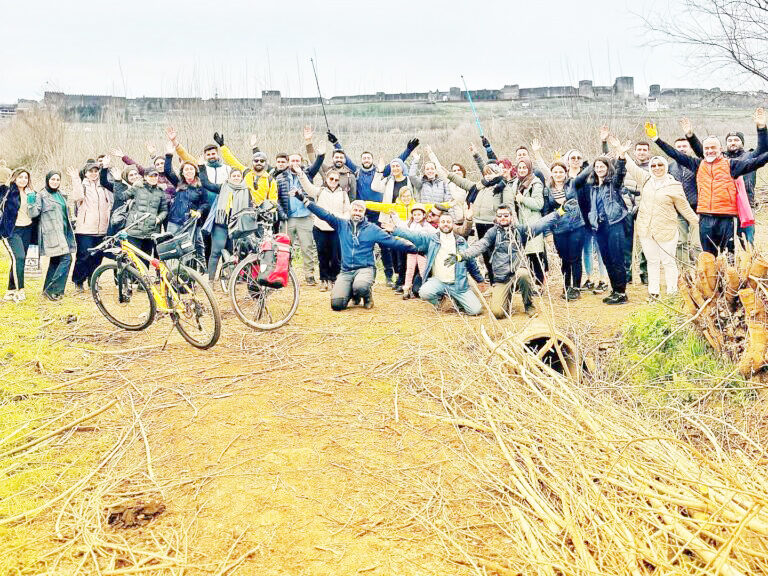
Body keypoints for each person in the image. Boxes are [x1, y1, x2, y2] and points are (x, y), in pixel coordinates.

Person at [647, 108, 768, 256]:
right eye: (707, 148)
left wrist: (762, 129)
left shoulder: (732, 165)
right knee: (708, 257)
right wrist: (656, 139)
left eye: (713, 148)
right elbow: (675, 154)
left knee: (727, 256)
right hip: (704, 218)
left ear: (720, 149)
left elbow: (758, 161)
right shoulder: (697, 164)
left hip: (725, 218)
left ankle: (727, 279)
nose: (710, 150)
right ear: (703, 150)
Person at [613, 136, 700, 300]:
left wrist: (696, 221)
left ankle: (672, 293)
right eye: (653, 165)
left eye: (660, 165)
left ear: (665, 167)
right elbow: (630, 167)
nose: (657, 168)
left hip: (666, 230)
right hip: (647, 230)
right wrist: (621, 152)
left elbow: (684, 207)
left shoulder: (673, 185)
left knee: (668, 262)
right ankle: (653, 293)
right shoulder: (646, 180)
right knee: (652, 262)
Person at [297, 192, 414, 310]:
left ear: (364, 213)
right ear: (350, 211)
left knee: (361, 286)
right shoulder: (341, 224)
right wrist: (305, 201)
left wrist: (414, 249)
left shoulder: (372, 229)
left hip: (365, 268)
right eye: (355, 210)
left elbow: (392, 242)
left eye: (360, 211)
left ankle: (367, 295)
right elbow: (324, 215)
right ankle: (354, 295)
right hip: (346, 271)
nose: (357, 213)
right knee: (337, 305)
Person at [384, 211, 485, 316]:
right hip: (438, 281)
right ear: (439, 224)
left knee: (475, 311)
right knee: (424, 292)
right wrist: (395, 230)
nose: (445, 224)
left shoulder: (461, 242)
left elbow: (471, 262)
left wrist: (479, 279)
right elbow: (413, 235)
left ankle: (457, 300)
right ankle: (439, 302)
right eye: (443, 221)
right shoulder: (432, 239)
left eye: (448, 222)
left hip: (458, 285)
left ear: (453, 224)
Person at [429, 147, 505, 283]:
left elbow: (508, 206)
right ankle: (493, 282)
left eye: (491, 173)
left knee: (497, 254)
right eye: (486, 173)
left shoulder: (502, 186)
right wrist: (450, 175)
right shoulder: (479, 186)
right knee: (485, 254)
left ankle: (502, 282)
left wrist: (476, 155)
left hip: (494, 225)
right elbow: (463, 182)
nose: (488, 175)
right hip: (479, 223)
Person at [572, 146, 629, 305]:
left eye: (602, 166)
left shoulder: (613, 184)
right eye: (596, 167)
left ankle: (622, 293)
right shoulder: (593, 186)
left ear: (607, 167)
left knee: (617, 259)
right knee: (607, 258)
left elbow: (620, 174)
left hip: (614, 223)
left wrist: (621, 158)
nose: (599, 169)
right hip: (600, 226)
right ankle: (615, 289)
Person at [461, 204, 535, 318]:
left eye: (506, 215)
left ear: (511, 216)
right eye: (500, 216)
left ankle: (529, 305)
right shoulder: (492, 232)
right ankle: (506, 299)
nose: (503, 218)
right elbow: (480, 245)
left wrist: (559, 212)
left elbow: (541, 224)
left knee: (523, 274)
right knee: (498, 313)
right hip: (501, 276)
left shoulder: (520, 230)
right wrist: (462, 256)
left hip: (517, 272)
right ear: (496, 217)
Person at [295, 167, 351, 291]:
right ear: (326, 179)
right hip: (320, 227)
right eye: (331, 178)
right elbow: (307, 186)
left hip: (336, 228)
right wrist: (300, 173)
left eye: (336, 180)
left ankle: (334, 279)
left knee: (336, 256)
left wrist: (341, 219)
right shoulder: (319, 191)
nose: (334, 181)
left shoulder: (343, 194)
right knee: (322, 255)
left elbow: (348, 211)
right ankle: (324, 280)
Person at [274, 152, 323, 285]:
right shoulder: (280, 178)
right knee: (285, 247)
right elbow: (276, 198)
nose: (295, 163)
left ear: (301, 162)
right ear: (288, 162)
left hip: (305, 216)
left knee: (307, 247)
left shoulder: (307, 175)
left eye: (298, 160)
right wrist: (282, 212)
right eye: (292, 160)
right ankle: (285, 274)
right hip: (288, 218)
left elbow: (318, 163)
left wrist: (320, 153)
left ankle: (309, 275)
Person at [371, 157, 419, 291]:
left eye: (398, 166)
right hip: (390, 217)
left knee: (407, 247)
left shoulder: (409, 180)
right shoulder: (388, 180)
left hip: (408, 218)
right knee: (393, 248)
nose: (395, 168)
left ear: (402, 167)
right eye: (393, 166)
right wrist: (379, 171)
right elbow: (374, 186)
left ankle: (407, 278)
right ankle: (399, 276)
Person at [27, 171, 76, 301]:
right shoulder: (42, 195)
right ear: (47, 180)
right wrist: (31, 200)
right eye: (52, 179)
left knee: (55, 261)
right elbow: (33, 213)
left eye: (57, 179)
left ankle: (46, 290)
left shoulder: (60, 195)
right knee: (67, 259)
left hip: (63, 232)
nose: (55, 182)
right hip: (51, 233)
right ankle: (54, 290)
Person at [70, 162, 113, 291]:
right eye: (90, 171)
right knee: (83, 256)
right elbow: (77, 197)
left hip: (102, 229)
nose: (93, 174)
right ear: (85, 173)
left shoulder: (103, 186)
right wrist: (75, 180)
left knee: (97, 257)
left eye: (95, 171)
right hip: (85, 229)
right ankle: (78, 281)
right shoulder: (82, 186)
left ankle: (92, 280)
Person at [504, 158, 546, 284]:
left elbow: (539, 204)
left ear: (529, 169)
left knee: (535, 256)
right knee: (524, 256)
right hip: (519, 224)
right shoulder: (515, 183)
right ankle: (527, 283)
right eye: (520, 168)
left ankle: (539, 284)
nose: (522, 170)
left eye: (524, 168)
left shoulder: (536, 183)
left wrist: (522, 199)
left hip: (532, 223)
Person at [202, 168, 249, 283]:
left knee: (231, 253)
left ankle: (230, 279)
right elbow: (206, 183)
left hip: (236, 226)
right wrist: (201, 167)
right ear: (229, 177)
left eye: (238, 176)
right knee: (216, 252)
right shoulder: (223, 187)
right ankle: (211, 280)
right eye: (234, 176)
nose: (236, 177)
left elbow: (250, 206)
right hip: (221, 224)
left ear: (241, 178)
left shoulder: (246, 190)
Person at [162, 143, 209, 257]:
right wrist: (169, 155)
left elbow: (205, 203)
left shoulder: (201, 187)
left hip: (191, 222)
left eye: (191, 169)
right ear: (182, 172)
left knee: (189, 248)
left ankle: (190, 272)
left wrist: (199, 212)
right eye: (186, 169)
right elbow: (168, 171)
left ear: (195, 171)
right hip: (175, 221)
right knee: (171, 247)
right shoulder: (178, 183)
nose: (189, 171)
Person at [0, 168, 34, 301]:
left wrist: (33, 200)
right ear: (14, 178)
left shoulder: (30, 193)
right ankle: (20, 290)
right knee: (19, 257)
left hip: (27, 229)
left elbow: (33, 212)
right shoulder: (6, 191)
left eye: (26, 177)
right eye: (20, 177)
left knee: (19, 259)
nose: (23, 180)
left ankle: (10, 291)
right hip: (11, 231)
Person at [121, 168, 169, 257]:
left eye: (156, 175)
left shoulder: (160, 192)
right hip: (134, 231)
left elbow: (164, 210)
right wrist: (117, 182)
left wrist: (158, 218)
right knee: (133, 262)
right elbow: (121, 197)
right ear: (145, 177)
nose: (153, 178)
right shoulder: (137, 188)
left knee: (145, 262)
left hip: (151, 233)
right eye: (151, 176)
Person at [401, 203, 435, 299]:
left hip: (421, 252)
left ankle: (425, 289)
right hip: (411, 250)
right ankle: (406, 289)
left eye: (419, 214)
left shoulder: (426, 226)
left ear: (423, 215)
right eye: (414, 214)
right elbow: (402, 229)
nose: (416, 217)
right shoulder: (409, 224)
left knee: (423, 270)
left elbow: (435, 233)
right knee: (409, 270)